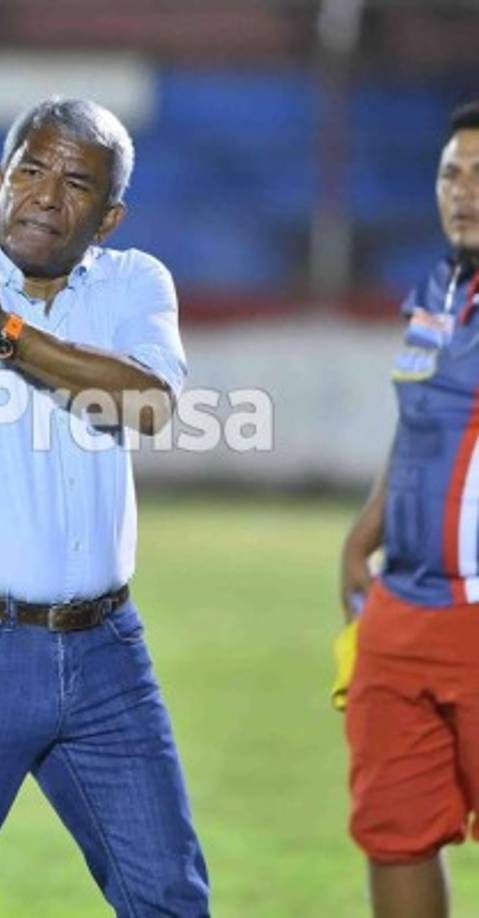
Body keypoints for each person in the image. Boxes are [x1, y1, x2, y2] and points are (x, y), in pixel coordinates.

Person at [0, 76, 210, 917]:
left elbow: (146, 403)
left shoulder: (134, 283)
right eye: (28, 171)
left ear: (109, 216)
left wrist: (4, 334)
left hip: (104, 652)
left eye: (77, 183)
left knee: (168, 895)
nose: (45, 197)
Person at [340, 100, 479, 918]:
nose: (463, 192)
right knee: (391, 830)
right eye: (450, 175)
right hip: (399, 612)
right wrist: (361, 541)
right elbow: (417, 429)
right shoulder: (436, 285)